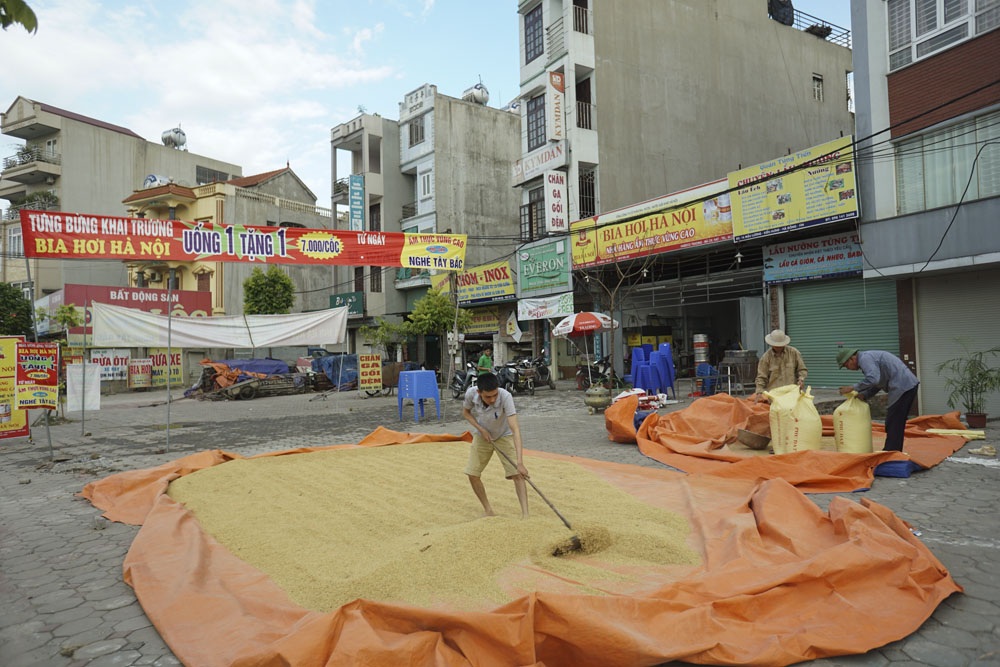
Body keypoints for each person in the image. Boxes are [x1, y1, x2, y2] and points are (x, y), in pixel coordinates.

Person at [462, 372, 530, 518]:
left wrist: (520, 462)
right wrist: (481, 429)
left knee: (517, 474)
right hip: (482, 436)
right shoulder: (470, 394)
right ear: (479, 392)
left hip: (503, 435)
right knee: (472, 473)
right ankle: (488, 510)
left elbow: (515, 429)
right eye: (488, 397)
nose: (492, 399)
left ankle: (525, 515)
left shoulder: (506, 396)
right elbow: (466, 412)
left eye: (495, 395)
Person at [837, 348, 919, 452]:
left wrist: (853, 387)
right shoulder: (868, 358)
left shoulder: (865, 359)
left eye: (845, 365)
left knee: (894, 421)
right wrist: (865, 395)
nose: (847, 368)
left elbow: (873, 379)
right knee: (895, 421)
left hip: (903, 386)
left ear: (852, 359)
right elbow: (878, 383)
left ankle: (891, 452)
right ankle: (893, 451)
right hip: (907, 385)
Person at [753, 329, 808, 400]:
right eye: (776, 345)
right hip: (774, 396)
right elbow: (761, 377)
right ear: (771, 344)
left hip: (792, 394)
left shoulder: (794, 353)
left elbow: (802, 369)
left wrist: (801, 379)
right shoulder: (766, 358)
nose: (778, 347)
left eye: (780, 345)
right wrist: (759, 391)